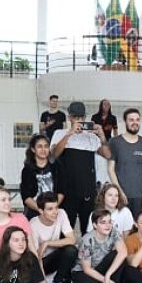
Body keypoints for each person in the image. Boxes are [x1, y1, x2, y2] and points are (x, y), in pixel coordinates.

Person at [50, 100, 111, 234]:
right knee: (66, 229)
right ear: (69, 117)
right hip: (67, 190)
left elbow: (107, 154)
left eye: (81, 117)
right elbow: (54, 154)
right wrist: (69, 133)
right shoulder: (60, 133)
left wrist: (102, 136)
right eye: (75, 117)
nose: (79, 120)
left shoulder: (91, 137)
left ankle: (86, 254)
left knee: (88, 229)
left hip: (87, 191)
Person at [71, 209, 130, 283]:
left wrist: (108, 275)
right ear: (94, 225)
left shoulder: (113, 232)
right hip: (83, 272)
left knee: (118, 256)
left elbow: (123, 252)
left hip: (101, 267)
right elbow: (87, 269)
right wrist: (107, 280)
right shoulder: (87, 239)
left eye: (110, 221)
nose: (108, 225)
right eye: (103, 222)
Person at [29, 192, 77, 283]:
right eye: (50, 209)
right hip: (40, 263)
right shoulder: (33, 224)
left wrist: (47, 243)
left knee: (71, 250)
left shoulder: (61, 213)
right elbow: (36, 258)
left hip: (54, 258)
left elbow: (72, 239)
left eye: (56, 207)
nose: (55, 212)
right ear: (41, 211)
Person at [108, 107, 142, 217]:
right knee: (120, 230)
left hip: (140, 195)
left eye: (137, 120)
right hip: (120, 195)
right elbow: (110, 169)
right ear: (125, 122)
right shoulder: (115, 142)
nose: (135, 122)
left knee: (138, 229)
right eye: (131, 120)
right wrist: (119, 192)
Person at [20, 133, 63, 220]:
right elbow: (26, 197)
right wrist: (42, 210)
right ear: (33, 149)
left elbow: (61, 191)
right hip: (34, 212)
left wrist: (52, 209)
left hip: (54, 211)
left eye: (46, 146)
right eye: (39, 146)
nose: (43, 149)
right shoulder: (27, 171)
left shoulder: (56, 167)